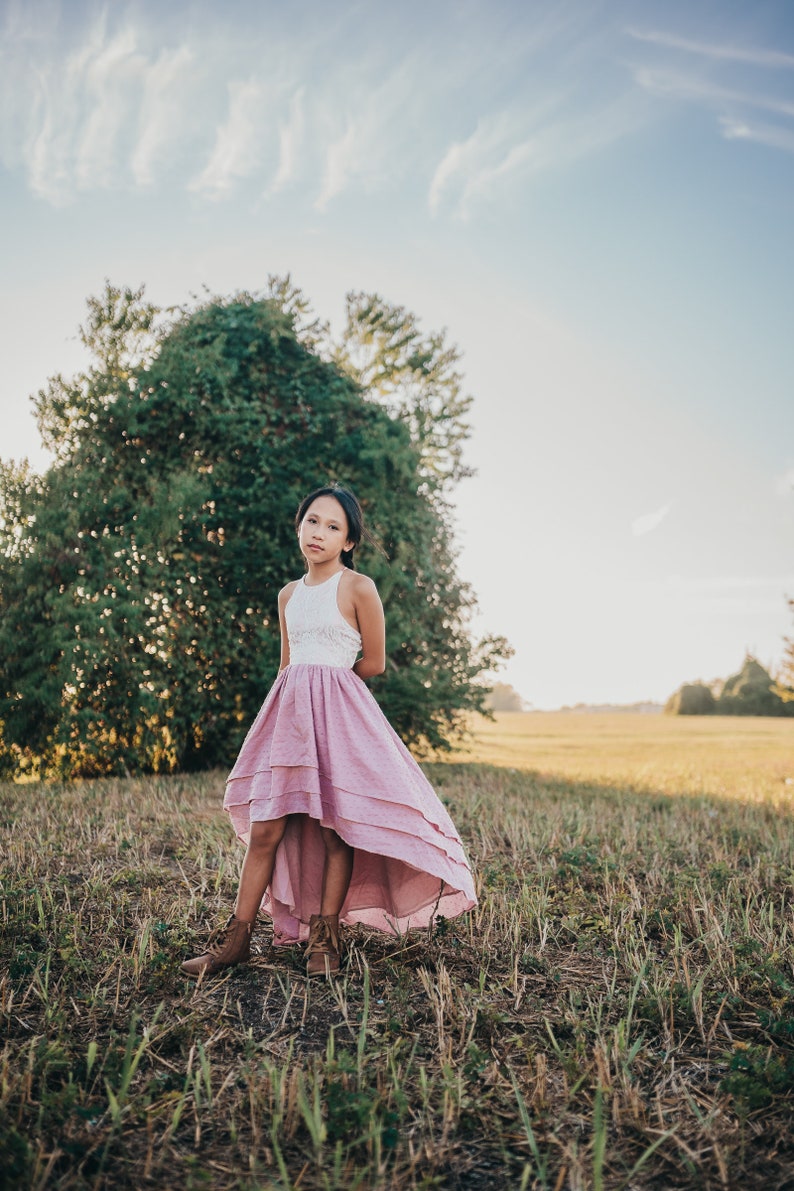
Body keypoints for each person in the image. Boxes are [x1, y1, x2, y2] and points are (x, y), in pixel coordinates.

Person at [182, 484, 477, 979]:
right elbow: (286, 666)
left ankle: (324, 939)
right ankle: (235, 941)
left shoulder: (357, 587)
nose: (319, 533)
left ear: (348, 542)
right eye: (312, 521)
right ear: (299, 527)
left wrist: (332, 692)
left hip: (339, 719)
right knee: (265, 830)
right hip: (288, 720)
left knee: (336, 830)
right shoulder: (288, 596)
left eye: (333, 526)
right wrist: (291, 709)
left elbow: (375, 662)